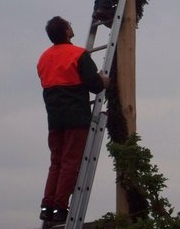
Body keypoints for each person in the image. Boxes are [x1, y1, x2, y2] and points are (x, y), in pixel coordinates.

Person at [37, 16, 110, 224]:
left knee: (56, 163)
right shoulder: (78, 55)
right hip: (76, 116)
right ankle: (61, 208)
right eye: (69, 24)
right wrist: (103, 82)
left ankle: (47, 205)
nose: (72, 26)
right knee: (70, 162)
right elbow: (93, 84)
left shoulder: (44, 58)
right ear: (66, 31)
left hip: (54, 118)